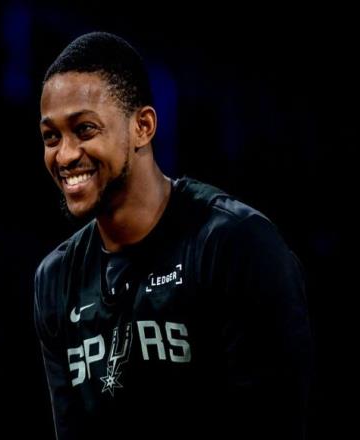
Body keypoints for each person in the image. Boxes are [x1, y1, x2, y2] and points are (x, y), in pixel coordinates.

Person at [34, 32, 313, 440]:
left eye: (85, 129)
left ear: (143, 126)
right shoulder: (56, 279)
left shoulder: (233, 244)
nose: (65, 154)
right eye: (51, 137)